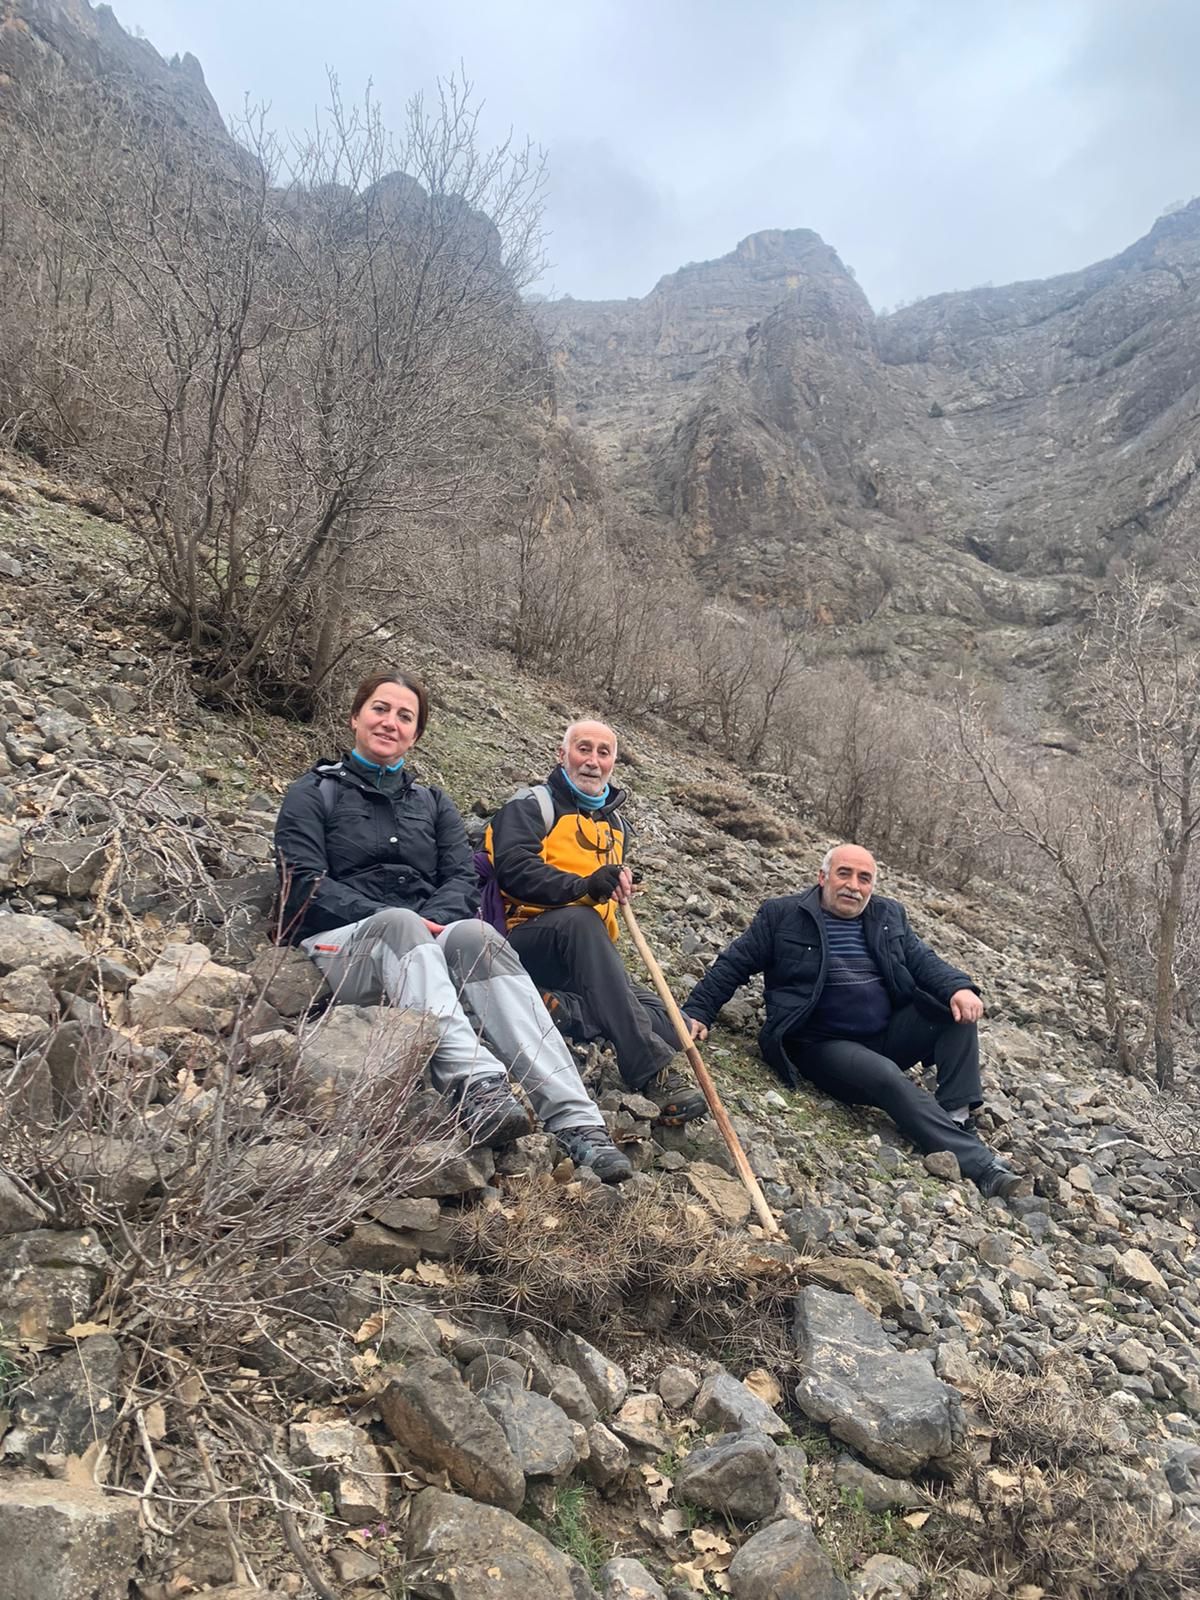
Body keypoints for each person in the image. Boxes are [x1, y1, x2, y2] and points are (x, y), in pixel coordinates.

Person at [273, 672, 632, 1183]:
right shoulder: (313, 793)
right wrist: (394, 919)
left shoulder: (433, 803)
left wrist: (435, 922)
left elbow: (462, 877)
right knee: (398, 923)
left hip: (421, 941)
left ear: (416, 734)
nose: (390, 723)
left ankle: (578, 1122)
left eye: (405, 716)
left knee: (479, 936)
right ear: (355, 717)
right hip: (340, 943)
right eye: (380, 710)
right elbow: (302, 881)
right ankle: (477, 1085)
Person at [681, 843, 1023, 1199]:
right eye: (844, 874)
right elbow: (734, 964)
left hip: (884, 1035)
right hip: (820, 1044)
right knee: (886, 1077)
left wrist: (959, 988)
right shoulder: (781, 915)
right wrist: (698, 1011)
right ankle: (982, 1167)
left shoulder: (888, 915)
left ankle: (955, 1119)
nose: (854, 886)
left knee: (954, 1012)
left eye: (864, 878)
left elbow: (924, 961)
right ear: (823, 877)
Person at [486, 719, 707, 1125]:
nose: (592, 761)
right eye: (583, 749)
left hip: (585, 955)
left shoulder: (616, 825)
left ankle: (566, 1009)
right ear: (562, 754)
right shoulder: (532, 806)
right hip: (524, 940)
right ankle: (651, 1071)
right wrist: (584, 886)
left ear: (614, 762)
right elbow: (514, 870)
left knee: (674, 1026)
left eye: (603, 753)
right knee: (581, 921)